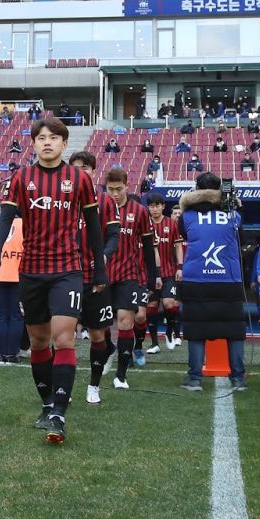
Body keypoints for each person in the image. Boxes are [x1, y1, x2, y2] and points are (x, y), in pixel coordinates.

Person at [0, 116, 107, 444]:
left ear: (65, 143)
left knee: (63, 338)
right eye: (41, 137)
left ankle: (60, 413)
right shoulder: (21, 178)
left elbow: (94, 227)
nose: (47, 142)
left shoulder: (79, 179)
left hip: (68, 269)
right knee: (38, 342)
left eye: (54, 137)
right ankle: (47, 404)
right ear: (33, 143)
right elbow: (6, 218)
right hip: (32, 271)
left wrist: (99, 269)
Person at [177, 173, 247, 390]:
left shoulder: (186, 217)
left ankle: (194, 378)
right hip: (228, 279)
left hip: (197, 279)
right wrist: (237, 207)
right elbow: (241, 239)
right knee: (234, 331)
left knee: (196, 330)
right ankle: (238, 378)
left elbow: (184, 234)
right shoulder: (234, 216)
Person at [97, 168, 162, 400]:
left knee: (126, 323)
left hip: (129, 276)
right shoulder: (100, 208)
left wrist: (152, 280)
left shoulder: (140, 212)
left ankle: (121, 375)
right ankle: (107, 350)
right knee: (101, 326)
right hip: (103, 276)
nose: (114, 193)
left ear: (127, 185)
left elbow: (147, 247)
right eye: (110, 189)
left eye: (118, 189)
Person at [68, 150, 121, 396]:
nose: (81, 172)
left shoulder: (105, 201)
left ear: (93, 171)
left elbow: (113, 235)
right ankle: (62, 390)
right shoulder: (63, 199)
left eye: (85, 167)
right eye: (76, 167)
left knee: (98, 335)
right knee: (63, 334)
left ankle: (94, 386)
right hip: (66, 276)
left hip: (95, 278)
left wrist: (104, 256)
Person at [146, 194, 184, 351]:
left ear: (163, 206)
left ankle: (169, 332)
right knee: (151, 306)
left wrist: (180, 267)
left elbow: (178, 246)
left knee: (169, 303)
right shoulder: (145, 224)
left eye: (157, 205)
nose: (154, 209)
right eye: (151, 206)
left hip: (169, 272)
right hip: (150, 274)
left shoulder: (171, 224)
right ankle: (154, 343)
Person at [0, 215, 25, 364]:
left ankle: (0, 355)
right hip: (19, 275)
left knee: (1, 315)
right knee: (16, 315)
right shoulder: (24, 224)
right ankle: (12, 354)